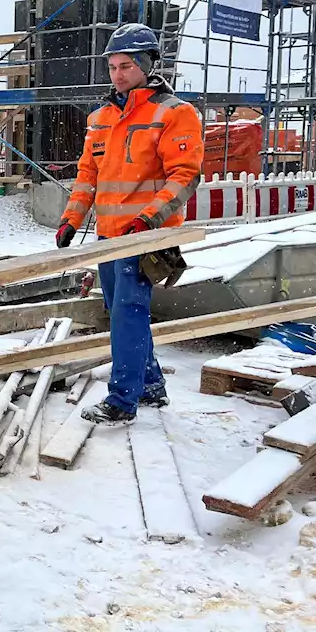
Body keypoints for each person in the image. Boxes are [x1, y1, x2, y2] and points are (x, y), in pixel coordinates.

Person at [55, 22, 203, 426]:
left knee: (127, 312)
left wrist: (148, 219)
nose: (118, 75)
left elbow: (184, 176)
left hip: (146, 236)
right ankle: (151, 385)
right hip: (108, 237)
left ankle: (122, 400)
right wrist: (71, 218)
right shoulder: (101, 117)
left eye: (126, 66)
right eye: (113, 67)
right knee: (120, 310)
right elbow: (88, 174)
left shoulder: (174, 113)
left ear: (148, 65)